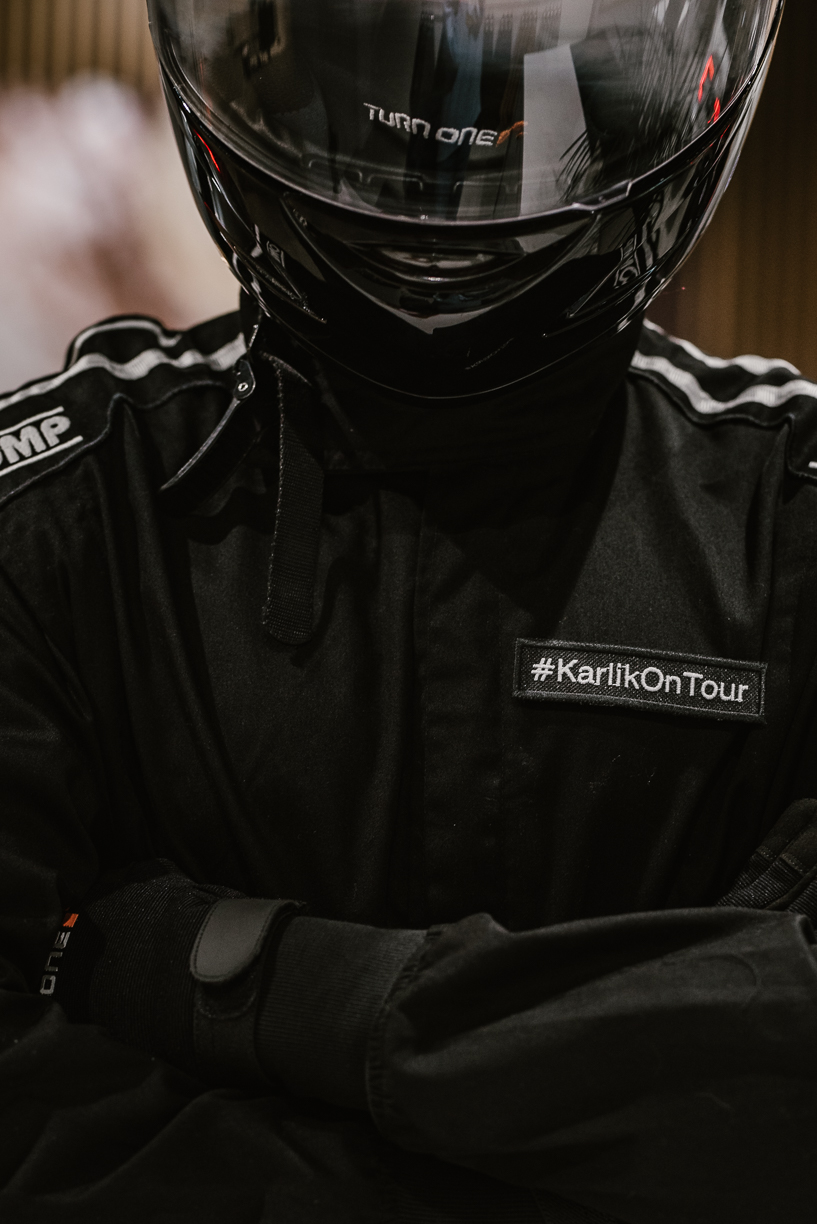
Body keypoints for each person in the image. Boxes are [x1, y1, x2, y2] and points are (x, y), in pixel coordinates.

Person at [2, 1, 816, 1220]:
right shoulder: (65, 517)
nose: (443, 165)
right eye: (380, 46)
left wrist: (239, 981)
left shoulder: (784, 515)